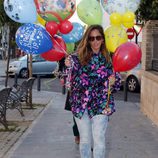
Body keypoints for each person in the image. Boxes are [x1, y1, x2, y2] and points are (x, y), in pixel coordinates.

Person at [65, 24, 121, 158]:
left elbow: (116, 83)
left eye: (98, 37)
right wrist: (67, 67)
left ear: (103, 39)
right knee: (85, 140)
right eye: (91, 38)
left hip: (101, 104)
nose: (95, 41)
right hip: (81, 104)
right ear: (87, 40)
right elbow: (69, 82)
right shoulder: (77, 58)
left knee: (99, 139)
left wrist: (114, 80)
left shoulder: (109, 58)